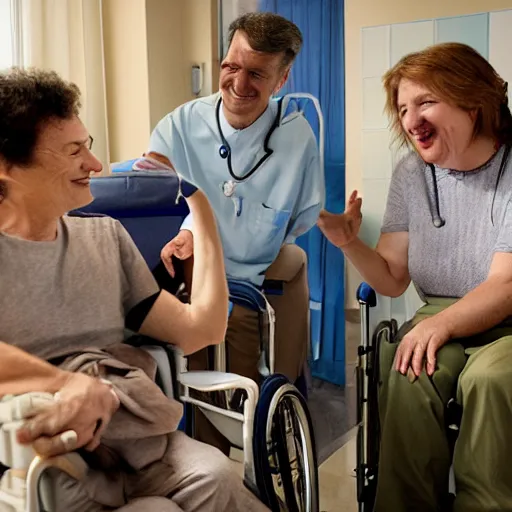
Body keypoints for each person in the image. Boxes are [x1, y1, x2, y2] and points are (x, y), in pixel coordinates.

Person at [0, 67, 269, 512]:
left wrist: (200, 207)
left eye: (88, 146)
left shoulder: (104, 238)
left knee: (216, 475)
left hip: (134, 439)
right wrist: (66, 384)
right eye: (73, 152)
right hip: (40, 462)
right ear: (8, 166)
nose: (95, 165)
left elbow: (201, 329)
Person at [318, 42, 512, 512]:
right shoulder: (412, 174)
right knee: (408, 370)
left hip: (506, 317)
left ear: (472, 99)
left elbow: (505, 284)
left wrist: (438, 326)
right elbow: (391, 278)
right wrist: (350, 243)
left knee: (489, 381)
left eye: (425, 102)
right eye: (404, 108)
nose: (410, 120)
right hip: (438, 313)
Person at [146, 12, 324, 449]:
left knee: (236, 392)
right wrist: (187, 228)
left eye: (257, 74)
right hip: (178, 281)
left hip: (243, 290)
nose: (239, 83)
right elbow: (151, 189)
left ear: (281, 80)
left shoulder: (297, 137)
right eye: (231, 67)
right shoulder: (181, 125)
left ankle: (240, 460)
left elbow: (300, 220)